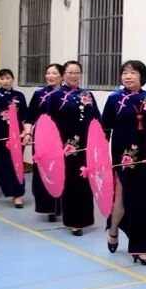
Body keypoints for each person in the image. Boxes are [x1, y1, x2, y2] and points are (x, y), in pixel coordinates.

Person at [101, 60, 146, 265]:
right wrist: (100, 156)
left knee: (145, 202)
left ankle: (141, 249)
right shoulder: (114, 99)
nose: (128, 76)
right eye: (125, 73)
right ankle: (113, 229)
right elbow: (104, 130)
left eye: (133, 73)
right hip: (123, 158)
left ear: (142, 77)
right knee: (122, 199)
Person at [44, 60, 101, 236]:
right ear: (63, 75)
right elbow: (49, 122)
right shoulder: (55, 96)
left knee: (85, 181)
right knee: (70, 182)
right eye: (69, 72)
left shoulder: (87, 94)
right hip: (65, 146)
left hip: (86, 146)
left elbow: (96, 119)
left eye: (77, 72)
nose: (73, 76)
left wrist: (100, 140)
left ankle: (84, 219)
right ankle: (73, 221)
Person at [23, 64, 63, 220]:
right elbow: (30, 117)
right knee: (45, 172)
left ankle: (63, 205)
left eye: (54, 73)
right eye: (48, 73)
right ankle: (49, 208)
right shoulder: (39, 94)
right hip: (42, 138)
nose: (50, 76)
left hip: (62, 137)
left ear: (61, 75)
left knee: (61, 171)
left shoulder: (67, 94)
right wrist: (28, 133)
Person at [0, 69, 28, 207]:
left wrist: (26, 132)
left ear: (12, 79)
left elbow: (24, 116)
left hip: (16, 135)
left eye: (7, 78)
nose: (5, 81)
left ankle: (17, 195)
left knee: (16, 164)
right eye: (2, 78)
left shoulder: (19, 96)